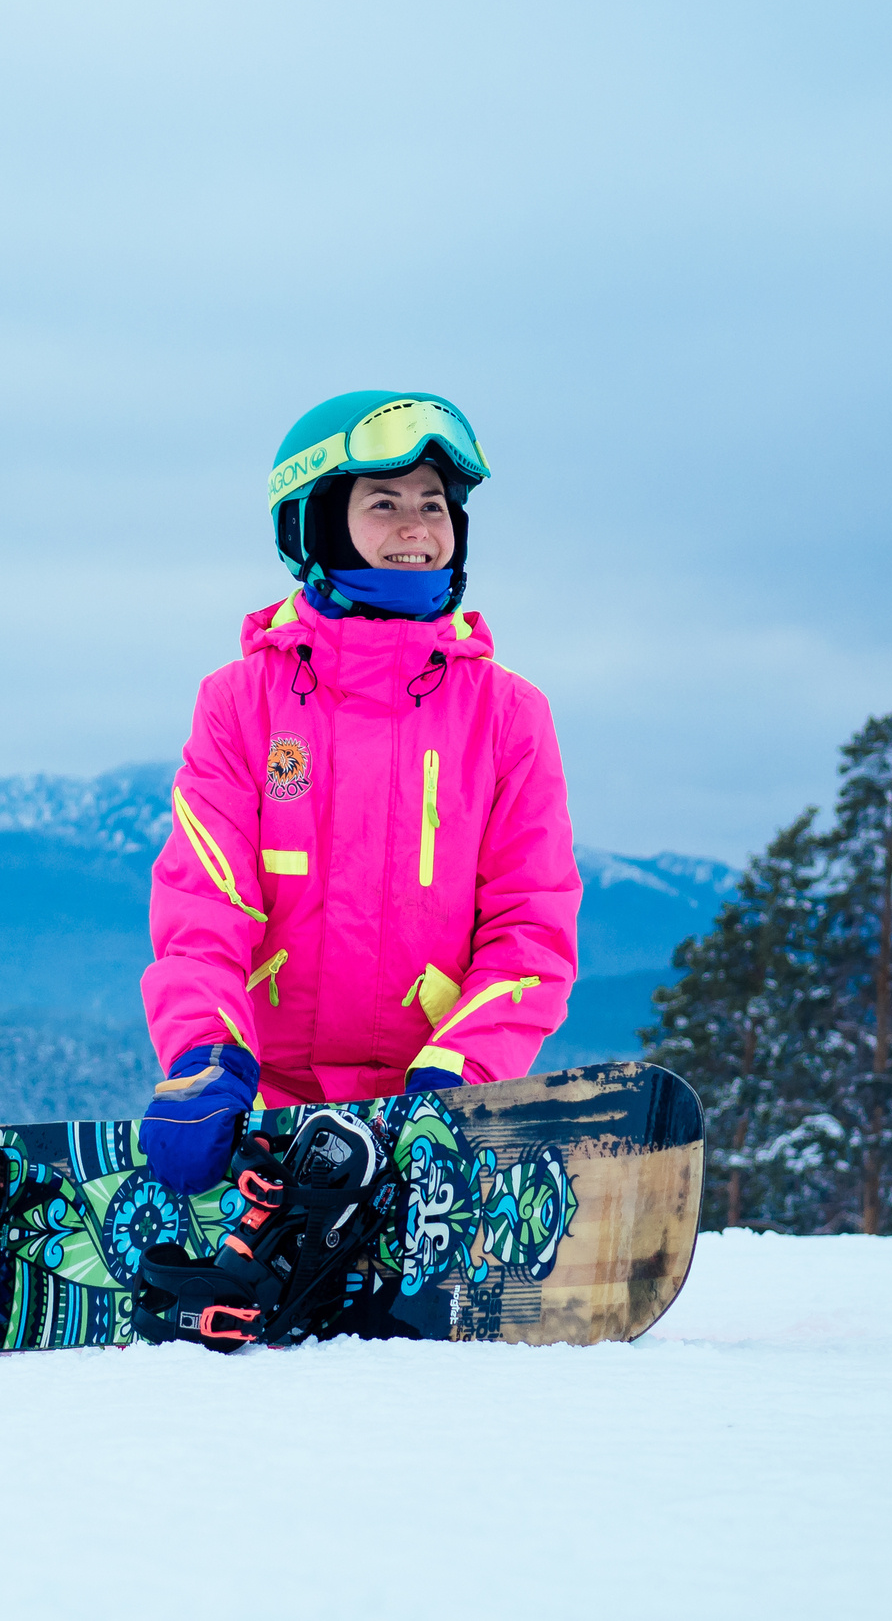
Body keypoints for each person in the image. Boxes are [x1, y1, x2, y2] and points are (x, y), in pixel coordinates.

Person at [136, 391, 581, 1196]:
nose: (417, 527)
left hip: (432, 1110)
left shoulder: (508, 716)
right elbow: (203, 908)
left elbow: (531, 927)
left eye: (433, 504)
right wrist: (205, 1056)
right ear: (312, 524)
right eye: (385, 503)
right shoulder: (241, 703)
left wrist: (461, 1074)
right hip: (269, 1116)